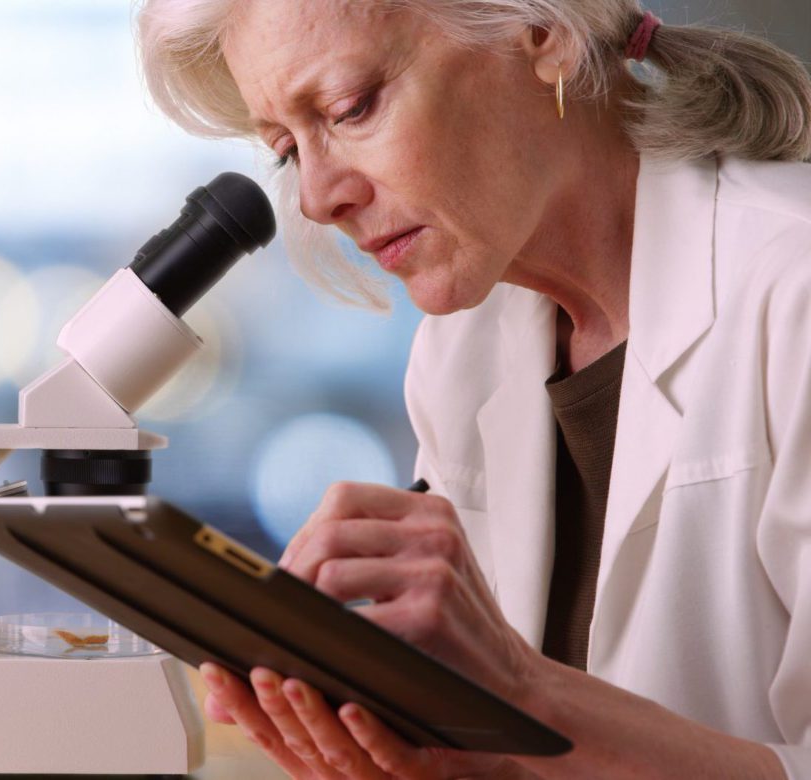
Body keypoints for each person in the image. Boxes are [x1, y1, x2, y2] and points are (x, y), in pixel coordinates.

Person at [138, 1, 811, 777]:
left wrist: (524, 692)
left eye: (350, 108)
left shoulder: (791, 288)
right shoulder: (463, 351)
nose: (320, 199)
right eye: (288, 149)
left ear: (545, 33)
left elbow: (531, 700)